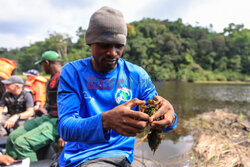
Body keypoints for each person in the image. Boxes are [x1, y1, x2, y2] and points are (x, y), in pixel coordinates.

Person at [57, 6, 177, 167]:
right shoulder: (72, 72)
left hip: (115, 157)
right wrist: (106, 121)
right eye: (105, 45)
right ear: (90, 42)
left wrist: (170, 117)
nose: (113, 52)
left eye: (118, 46)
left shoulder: (137, 76)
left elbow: (163, 117)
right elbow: (65, 128)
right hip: (77, 157)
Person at [5, 51, 66, 162]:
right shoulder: (52, 78)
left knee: (21, 144)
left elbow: (76, 105)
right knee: (13, 137)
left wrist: (66, 133)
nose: (42, 67)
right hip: (49, 116)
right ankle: (11, 162)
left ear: (47, 62)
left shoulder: (64, 78)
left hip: (60, 120)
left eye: (42, 64)